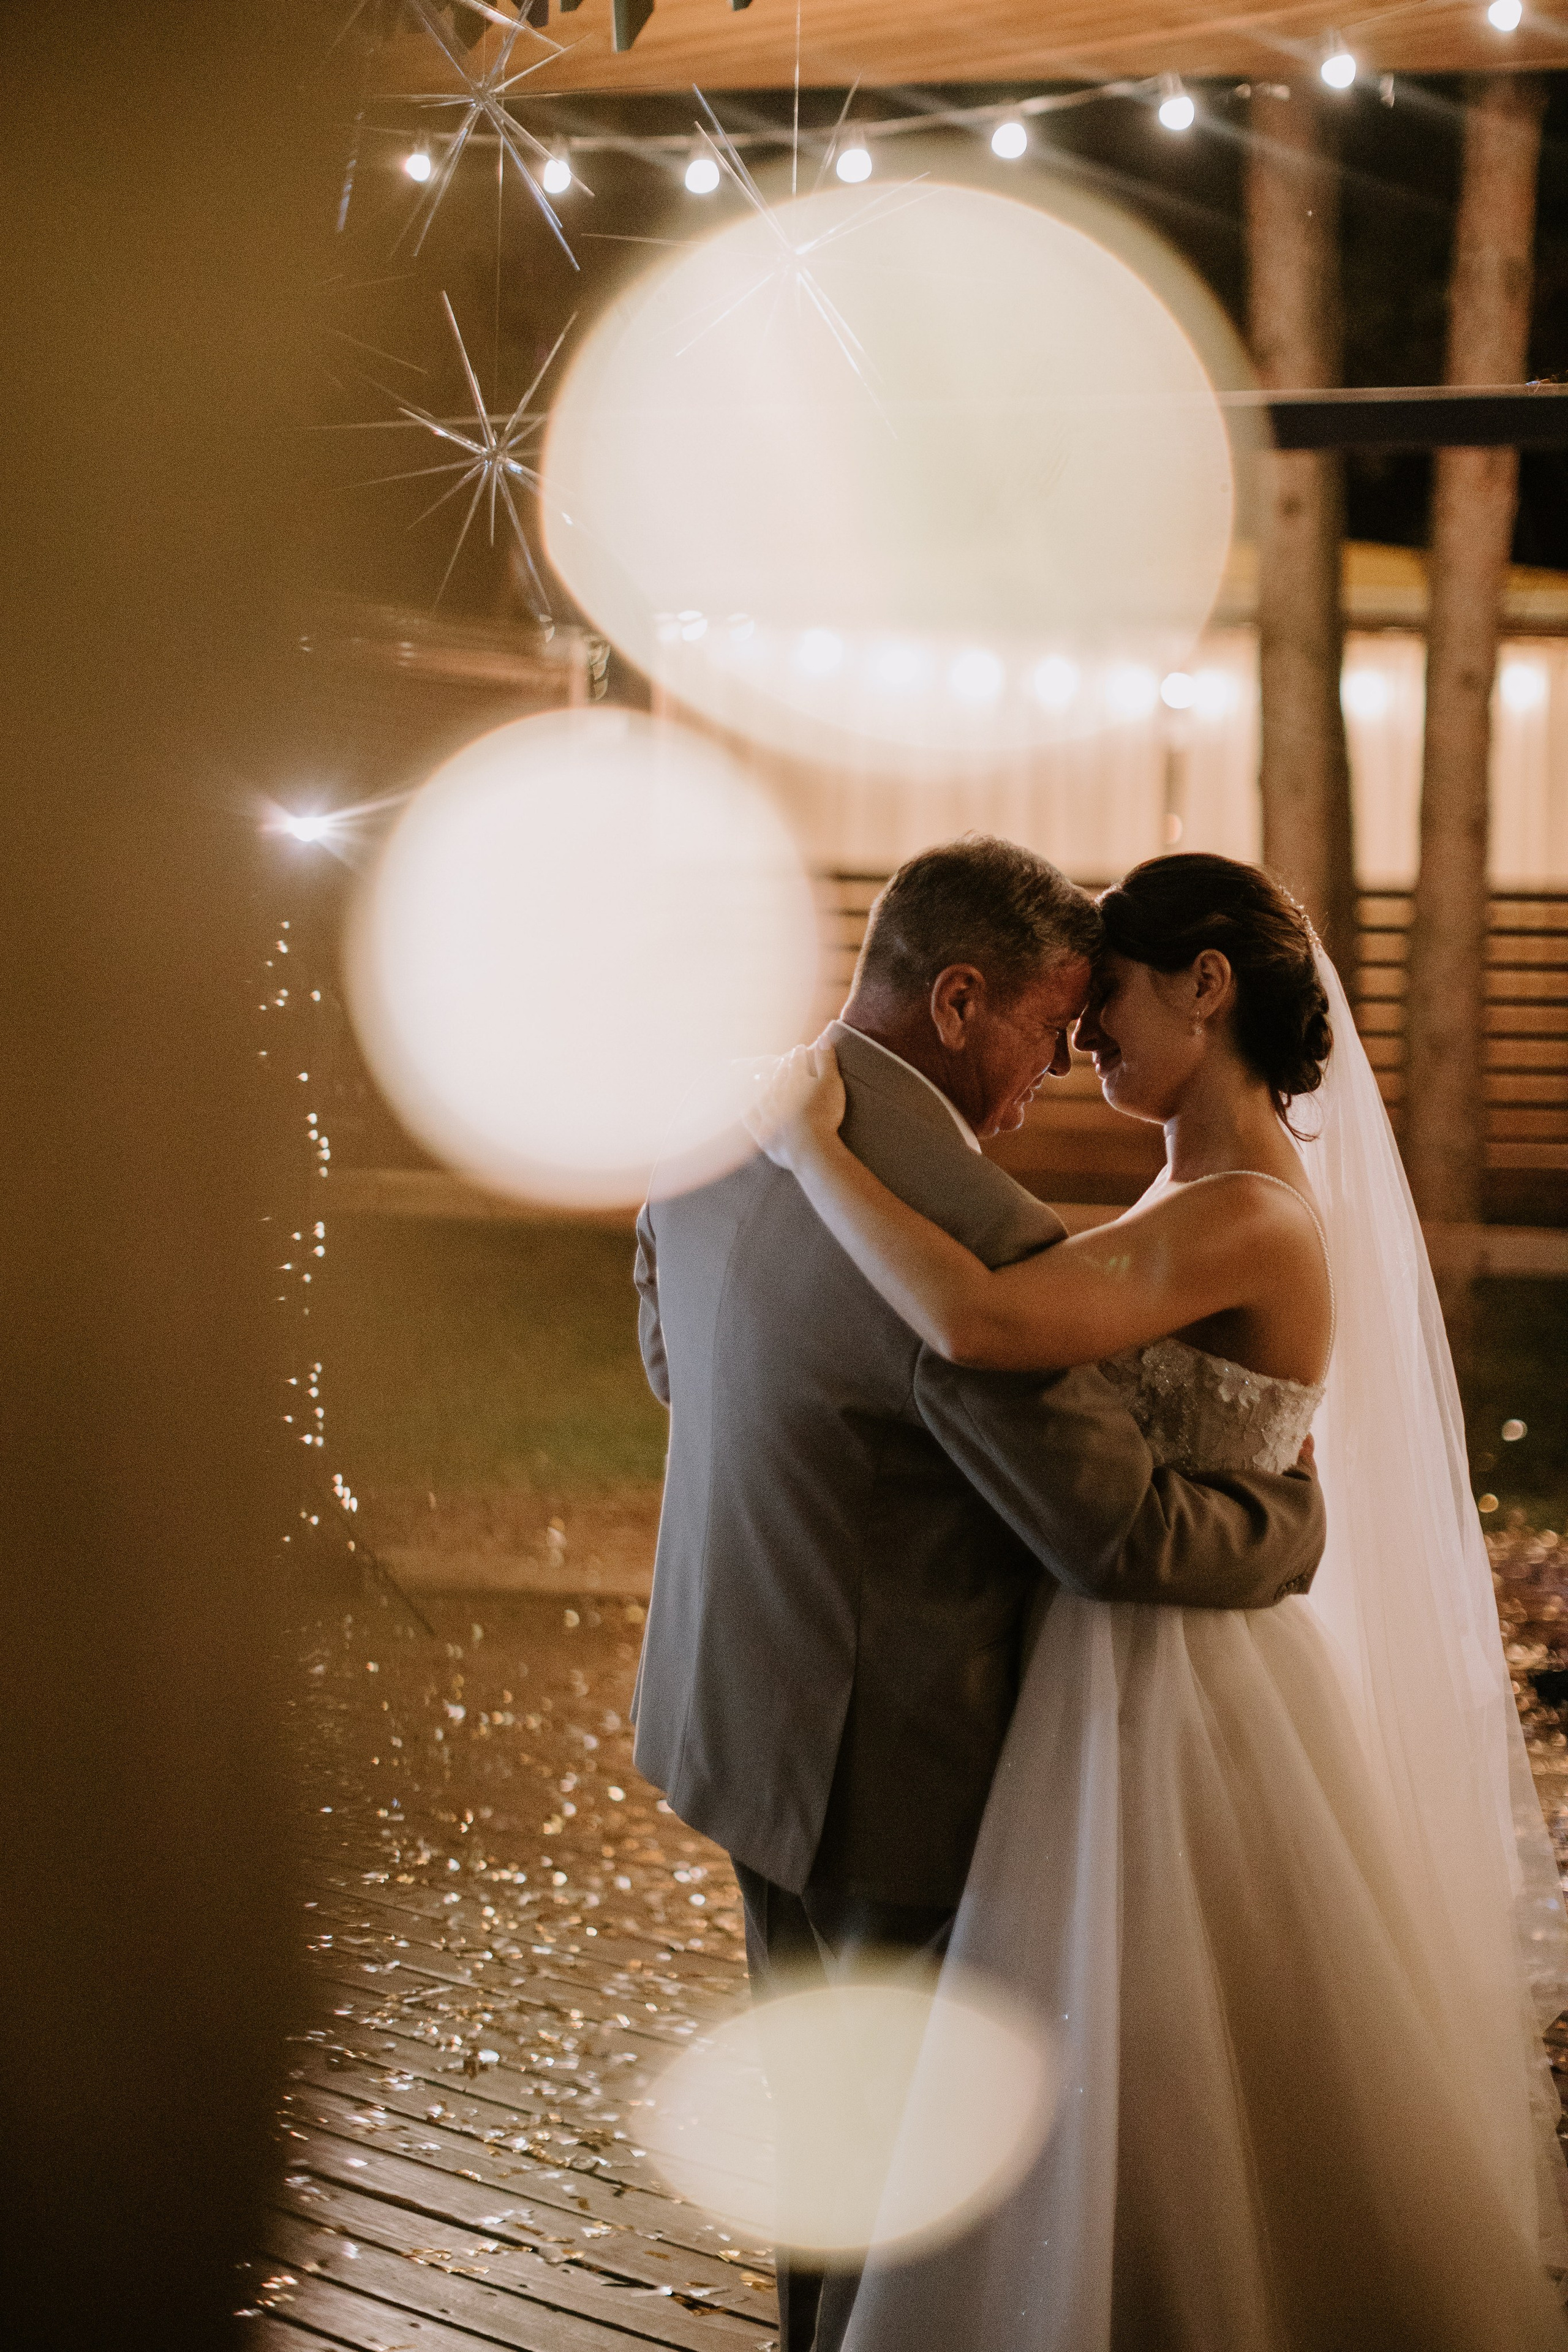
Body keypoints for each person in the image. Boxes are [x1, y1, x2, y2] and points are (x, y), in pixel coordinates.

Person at [753, 851, 1568, 2352]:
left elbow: (985, 1318)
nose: (1084, 1038)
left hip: (1185, 1688)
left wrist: (813, 1156)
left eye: (1109, 997)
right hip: (1118, 1659)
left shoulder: (1249, 1211)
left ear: (1205, 987)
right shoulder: (1183, 1188)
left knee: (1185, 2055)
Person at [630, 837, 1327, 2352]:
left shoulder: (717, 1117)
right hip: (888, 1768)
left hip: (730, 1705)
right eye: (1046, 1026)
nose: (1061, 1070)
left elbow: (676, 1363)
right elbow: (1111, 1535)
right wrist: (1283, 1523)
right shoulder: (971, 1232)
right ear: (956, 1002)